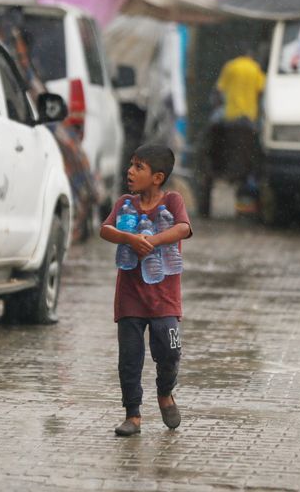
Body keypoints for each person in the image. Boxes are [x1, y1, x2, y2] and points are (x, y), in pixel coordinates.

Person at [100, 144, 193, 436]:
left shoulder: (173, 201)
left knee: (169, 353)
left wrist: (151, 241)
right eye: (131, 165)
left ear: (157, 177)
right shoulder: (126, 203)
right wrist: (129, 238)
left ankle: (165, 393)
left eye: (139, 167)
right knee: (129, 358)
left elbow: (183, 229)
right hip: (130, 298)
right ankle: (133, 415)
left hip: (164, 299)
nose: (130, 171)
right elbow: (105, 229)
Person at [197, 48, 266, 217]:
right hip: (248, 123)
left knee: (209, 132)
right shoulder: (256, 69)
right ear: (251, 55)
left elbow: (219, 91)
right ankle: (248, 204)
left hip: (229, 120)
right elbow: (261, 92)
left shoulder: (231, 66)